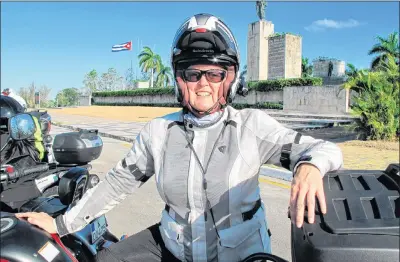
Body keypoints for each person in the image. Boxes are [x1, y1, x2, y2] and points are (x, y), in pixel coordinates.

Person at [16, 13, 343, 262]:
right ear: (178, 80)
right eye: (191, 72)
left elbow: (323, 148)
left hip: (240, 256)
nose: (203, 83)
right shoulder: (158, 132)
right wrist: (60, 225)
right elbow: (117, 184)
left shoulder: (251, 126)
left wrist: (310, 167)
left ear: (229, 79)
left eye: (214, 73)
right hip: (173, 246)